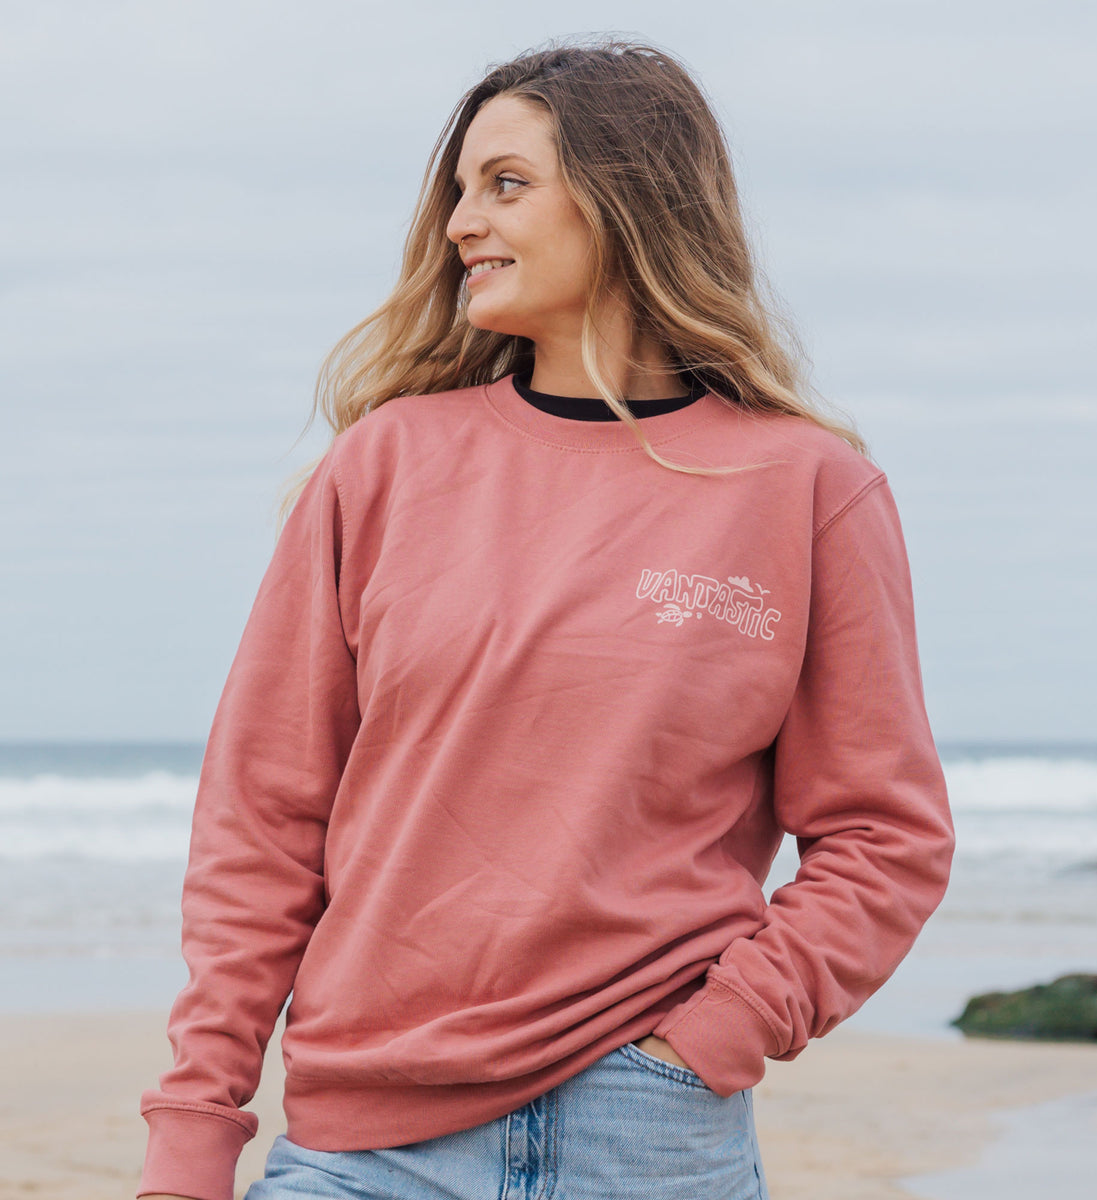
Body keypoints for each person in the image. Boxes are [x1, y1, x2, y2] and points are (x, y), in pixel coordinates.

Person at [139, 39, 954, 1200]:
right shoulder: (385, 468)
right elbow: (262, 824)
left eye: (506, 184)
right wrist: (194, 1123)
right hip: (366, 1143)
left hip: (649, 1129)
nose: (463, 221)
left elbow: (887, 837)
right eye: (460, 190)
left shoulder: (807, 490)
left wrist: (717, 1034)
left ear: (630, 198)